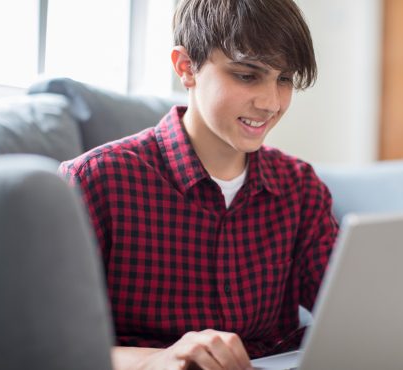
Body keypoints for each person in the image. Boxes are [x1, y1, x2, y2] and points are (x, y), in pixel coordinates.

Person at [59, 0, 338, 369]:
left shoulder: (301, 189)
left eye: (284, 79)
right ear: (186, 67)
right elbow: (49, 345)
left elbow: (353, 316)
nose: (271, 102)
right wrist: (159, 360)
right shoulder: (95, 182)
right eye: (246, 75)